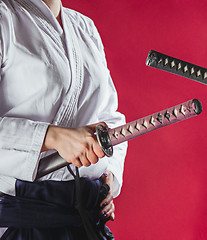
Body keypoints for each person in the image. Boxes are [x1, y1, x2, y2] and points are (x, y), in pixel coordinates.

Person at [0, 0, 127, 239]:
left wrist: (110, 176)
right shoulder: (5, 17)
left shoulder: (84, 27)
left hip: (85, 215)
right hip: (23, 213)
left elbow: (109, 115)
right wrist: (53, 137)